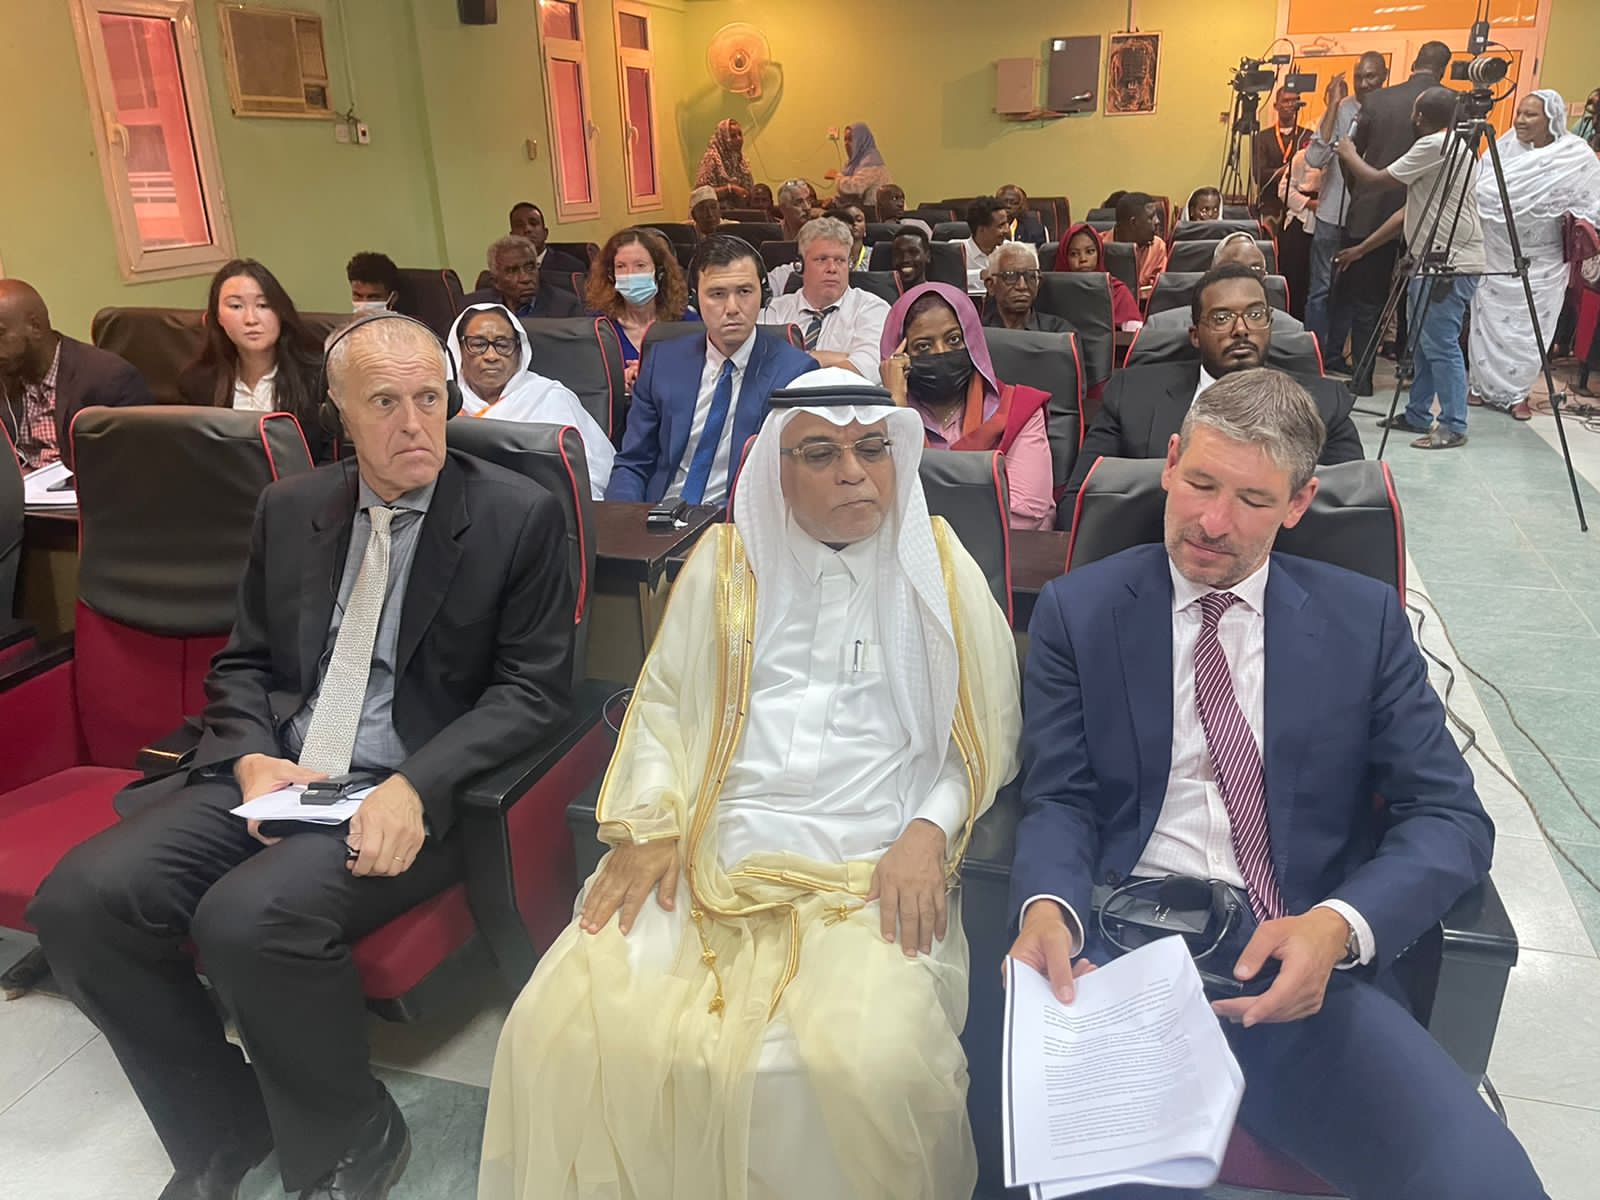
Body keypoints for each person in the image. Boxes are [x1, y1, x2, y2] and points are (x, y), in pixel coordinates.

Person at [30, 312, 576, 1200]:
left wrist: (415, 786)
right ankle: (224, 1125)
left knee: (249, 919)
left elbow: (533, 691)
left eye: (430, 398)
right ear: (339, 415)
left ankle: (354, 1134)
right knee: (82, 901)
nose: (415, 424)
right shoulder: (292, 509)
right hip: (281, 771)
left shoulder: (517, 516)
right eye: (386, 403)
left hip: (412, 786)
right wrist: (250, 758)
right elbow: (245, 663)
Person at [1008, 367, 1549, 1200]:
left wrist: (1338, 928)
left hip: (1301, 962)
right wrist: (1049, 906)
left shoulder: (1362, 622)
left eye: (1253, 500)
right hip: (1123, 959)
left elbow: (1449, 816)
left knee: (1486, 1183)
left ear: (1300, 502)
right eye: (1200, 484)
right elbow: (1059, 798)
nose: (1212, 523)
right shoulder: (1079, 613)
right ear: (1171, 462)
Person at [481, 367, 1020, 1200]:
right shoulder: (726, 567)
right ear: (777, 470)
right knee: (561, 1023)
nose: (854, 472)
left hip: (871, 866)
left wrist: (929, 830)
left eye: (873, 449)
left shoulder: (938, 568)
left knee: (871, 1067)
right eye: (822, 454)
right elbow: (665, 706)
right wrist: (651, 824)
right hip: (714, 847)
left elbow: (984, 734)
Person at [1064, 262, 1361, 503]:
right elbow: (1082, 498)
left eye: (1255, 314)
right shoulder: (1131, 395)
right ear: (1195, 335)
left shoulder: (1326, 404)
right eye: (1221, 318)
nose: (1241, 329)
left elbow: (1351, 508)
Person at [607, 235, 815, 505]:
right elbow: (633, 463)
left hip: (739, 519)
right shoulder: (662, 362)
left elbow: (795, 479)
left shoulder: (795, 372)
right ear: (696, 300)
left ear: (763, 296)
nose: (732, 308)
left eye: (745, 291)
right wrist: (625, 519)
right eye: (717, 294)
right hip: (659, 512)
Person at [1336, 86, 1486, 450]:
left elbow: (1375, 179)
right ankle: (1418, 413)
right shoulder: (1455, 146)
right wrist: (1362, 249)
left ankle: (1453, 423)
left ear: (1419, 117)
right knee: (1422, 343)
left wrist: (1349, 153)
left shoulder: (1436, 145)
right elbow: (1408, 212)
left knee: (1441, 344)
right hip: (1430, 260)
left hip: (1448, 262)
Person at [880, 282, 1055, 529]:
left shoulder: (1018, 409)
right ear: (900, 354)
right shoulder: (877, 417)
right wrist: (897, 409)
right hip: (912, 548)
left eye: (954, 340)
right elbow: (877, 507)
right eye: (923, 346)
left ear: (973, 343)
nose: (941, 352)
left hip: (1009, 548)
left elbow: (1024, 515)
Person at [1469, 90, 1600, 420]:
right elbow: (1480, 190)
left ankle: (1517, 393)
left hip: (1544, 260)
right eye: (1519, 113)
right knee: (1488, 322)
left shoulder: (1574, 155)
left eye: (1531, 115)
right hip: (1497, 253)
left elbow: (1591, 203)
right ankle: (1480, 386)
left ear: (1551, 119)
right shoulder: (1503, 148)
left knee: (1531, 329)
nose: (1521, 120)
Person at [1341, 40, 1451, 394]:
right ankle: (1410, 372)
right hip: (1427, 215)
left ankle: (1362, 378)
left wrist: (1360, 194)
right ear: (1444, 70)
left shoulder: (1377, 100)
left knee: (1367, 302)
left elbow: (1349, 155)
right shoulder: (1452, 104)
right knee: (1416, 300)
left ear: (1414, 62)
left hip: (1372, 210)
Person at [446, 302, 614, 497]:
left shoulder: (550, 398)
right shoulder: (443, 402)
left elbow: (591, 475)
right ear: (459, 349)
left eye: (502, 345)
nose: (491, 356)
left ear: (519, 350)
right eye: (478, 345)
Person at [176, 259, 330, 460]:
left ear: (281, 312)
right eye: (236, 306)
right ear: (217, 317)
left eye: (263, 305)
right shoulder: (197, 383)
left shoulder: (317, 378)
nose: (251, 319)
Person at [0, 279, 152, 472]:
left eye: (0, 333)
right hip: (19, 487)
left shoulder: (110, 380)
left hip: (79, 488)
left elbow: (134, 466)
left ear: (35, 327)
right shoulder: (6, 372)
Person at [1304, 52, 1390, 368]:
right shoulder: (1341, 110)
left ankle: (1334, 355)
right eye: (1359, 77)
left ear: (1385, 76)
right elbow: (1315, 159)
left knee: (1349, 293)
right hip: (1331, 215)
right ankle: (1311, 357)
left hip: (1367, 220)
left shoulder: (1391, 111)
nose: (1364, 84)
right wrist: (1332, 105)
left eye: (1371, 76)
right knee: (1321, 291)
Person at [764, 217, 890, 381]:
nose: (832, 268)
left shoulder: (873, 309)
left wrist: (794, 362)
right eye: (822, 259)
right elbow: (758, 366)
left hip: (845, 397)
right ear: (800, 265)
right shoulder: (775, 310)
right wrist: (840, 357)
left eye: (840, 260)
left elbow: (867, 369)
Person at [584, 227, 695, 392]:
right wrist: (616, 382)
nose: (630, 274)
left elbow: (705, 377)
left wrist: (655, 376)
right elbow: (587, 383)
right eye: (621, 266)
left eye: (640, 265)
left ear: (659, 272)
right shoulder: (596, 327)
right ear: (611, 275)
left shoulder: (687, 323)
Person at [463, 235, 582, 319]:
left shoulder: (566, 308)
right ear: (496, 282)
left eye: (530, 268)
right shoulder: (474, 310)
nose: (525, 278)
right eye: (512, 271)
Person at [1054, 221, 1143, 328]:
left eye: (1090, 251)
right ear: (1064, 257)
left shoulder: (1117, 291)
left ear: (1099, 254)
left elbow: (1134, 334)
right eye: (1074, 254)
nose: (1083, 259)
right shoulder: (1054, 294)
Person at [980, 241, 1070, 332]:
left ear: (1038, 283)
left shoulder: (1059, 332)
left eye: (1030, 276)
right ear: (991, 286)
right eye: (1010, 276)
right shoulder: (977, 331)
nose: (1022, 286)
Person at [1254, 88, 1311, 225]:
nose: (1290, 105)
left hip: (1298, 207)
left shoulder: (1308, 136)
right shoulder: (1262, 137)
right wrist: (1288, 170)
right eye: (1286, 101)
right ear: (1276, 106)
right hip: (1269, 204)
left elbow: (1310, 174)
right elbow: (1258, 175)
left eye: (1294, 101)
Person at [1112, 191, 1168, 304]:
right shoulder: (1098, 247)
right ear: (1133, 223)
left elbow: (1157, 291)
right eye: (1151, 217)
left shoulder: (1158, 246)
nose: (1157, 221)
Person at [509, 202, 587, 275]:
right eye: (519, 225)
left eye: (533, 223)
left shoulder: (572, 268)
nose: (527, 229)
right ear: (512, 236)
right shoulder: (505, 270)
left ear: (545, 233)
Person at [694, 117, 756, 206]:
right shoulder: (712, 158)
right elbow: (700, 194)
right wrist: (729, 189)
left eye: (740, 134)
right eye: (733, 136)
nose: (739, 139)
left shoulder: (742, 161)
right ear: (723, 138)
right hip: (713, 212)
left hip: (739, 212)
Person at [826, 121, 892, 203]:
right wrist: (834, 201)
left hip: (881, 210)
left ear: (861, 140)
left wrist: (836, 176)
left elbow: (856, 188)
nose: (846, 143)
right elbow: (849, 196)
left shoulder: (871, 162)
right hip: (867, 209)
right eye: (845, 139)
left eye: (850, 139)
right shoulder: (852, 164)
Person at [961, 196, 1012, 295]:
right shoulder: (957, 250)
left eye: (1006, 223)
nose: (1006, 230)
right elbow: (948, 279)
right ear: (982, 230)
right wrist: (980, 275)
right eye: (1001, 225)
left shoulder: (1010, 250)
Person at [830, 199, 871, 270]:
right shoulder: (830, 256)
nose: (854, 223)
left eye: (858, 220)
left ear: (865, 229)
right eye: (848, 220)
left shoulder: (875, 254)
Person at [891, 223, 932, 290]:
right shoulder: (879, 295)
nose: (905, 259)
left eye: (913, 252)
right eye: (899, 253)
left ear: (927, 256)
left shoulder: (937, 294)